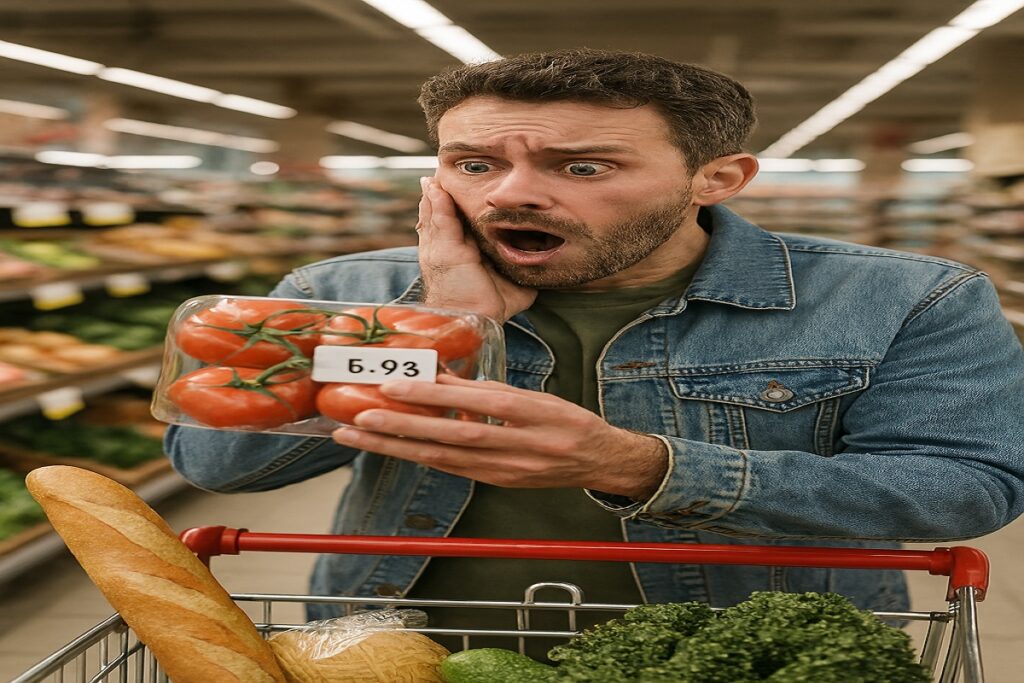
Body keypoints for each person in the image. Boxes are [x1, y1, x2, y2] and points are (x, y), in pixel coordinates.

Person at [166, 49, 1024, 636]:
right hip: (404, 653)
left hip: (736, 657)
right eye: (473, 164)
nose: (511, 195)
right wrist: (448, 328)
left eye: (583, 167)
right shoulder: (344, 292)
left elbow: (963, 487)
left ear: (716, 178)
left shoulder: (907, 297)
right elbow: (217, 465)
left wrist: (638, 466)